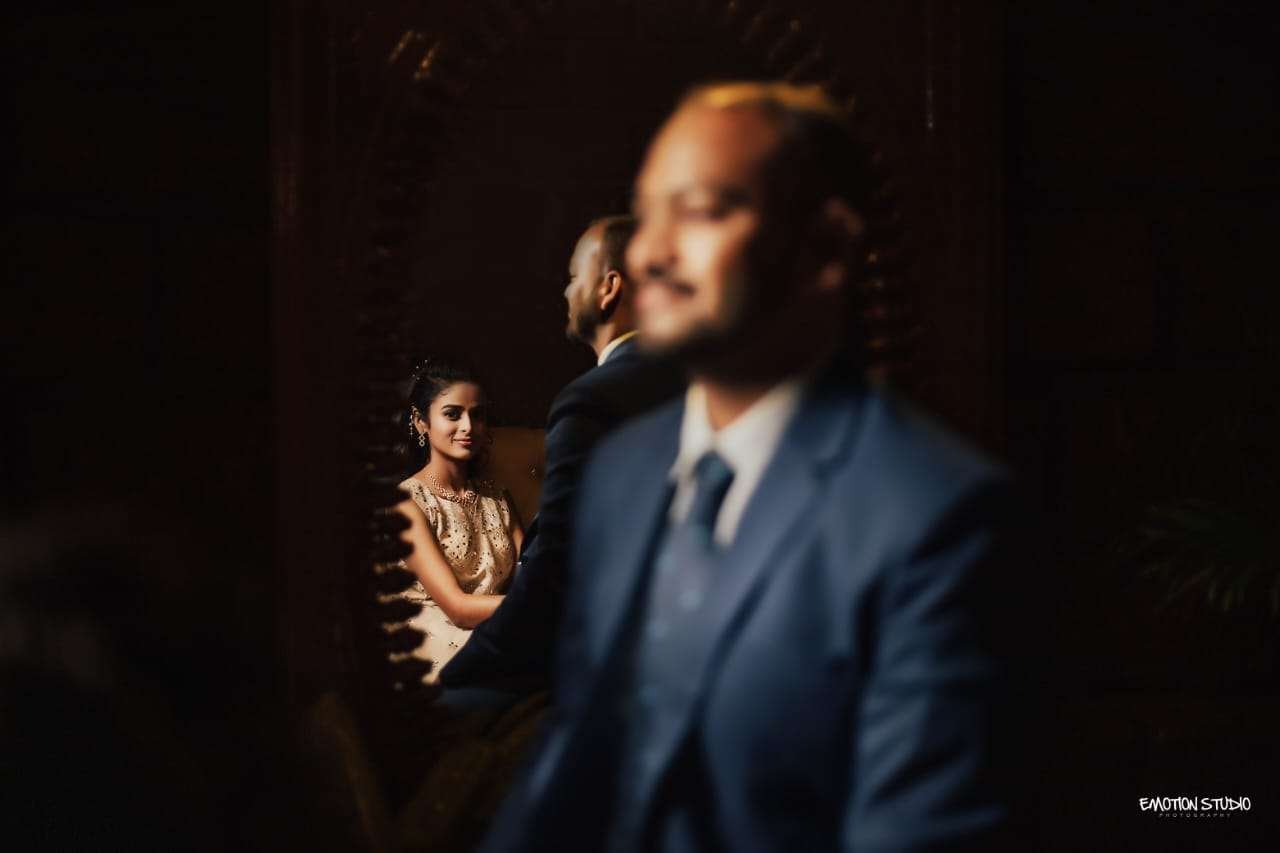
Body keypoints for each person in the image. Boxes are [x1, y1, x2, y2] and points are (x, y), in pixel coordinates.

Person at [479, 82, 1033, 852]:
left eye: (701, 210)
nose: (651, 254)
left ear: (826, 249)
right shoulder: (626, 474)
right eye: (649, 213)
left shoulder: (937, 517)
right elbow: (575, 767)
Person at [441, 215, 685, 692]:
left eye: (575, 276)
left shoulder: (592, 400)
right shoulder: (695, 382)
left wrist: (460, 675)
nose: (566, 290)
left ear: (608, 287)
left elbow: (553, 572)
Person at [392, 359, 524, 682]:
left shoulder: (497, 497)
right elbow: (459, 609)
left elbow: (531, 570)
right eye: (452, 414)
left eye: (477, 415)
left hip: (496, 626)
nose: (468, 427)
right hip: (436, 637)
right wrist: (538, 605)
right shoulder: (407, 503)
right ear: (421, 422)